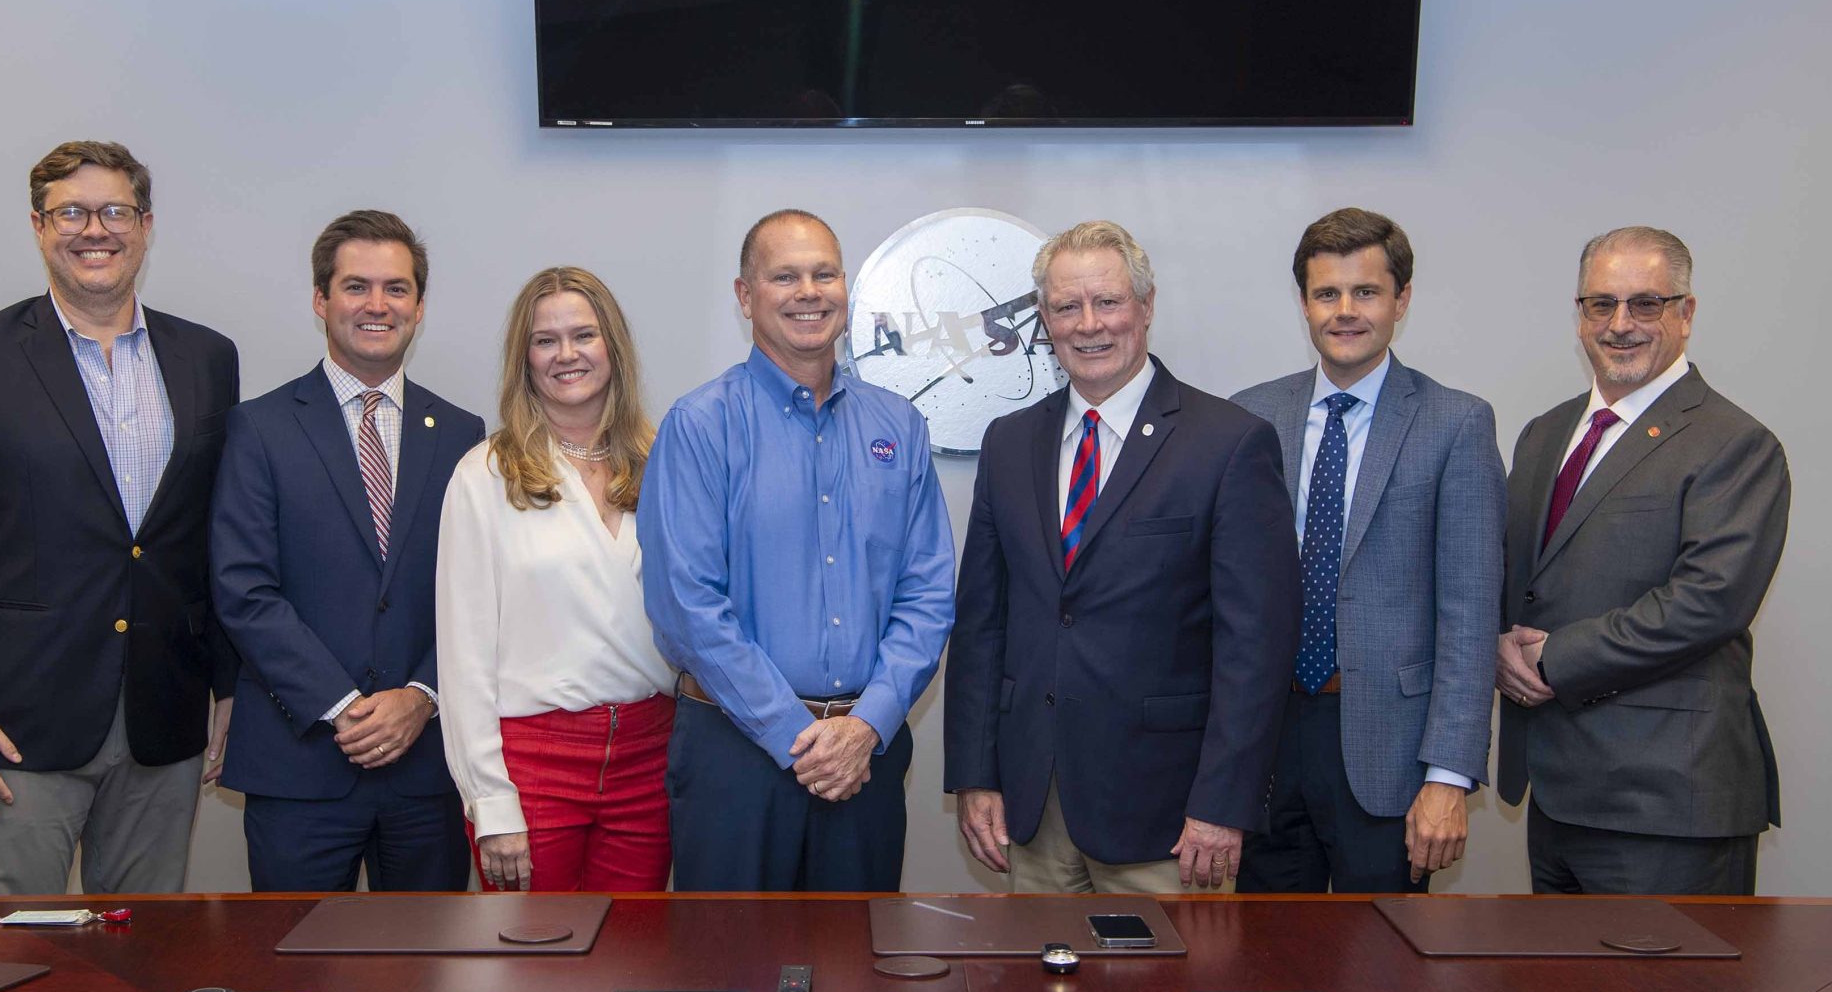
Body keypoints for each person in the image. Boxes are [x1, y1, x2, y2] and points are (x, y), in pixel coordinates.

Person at [0, 140, 239, 895]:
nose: (97, 229)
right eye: (73, 213)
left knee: (145, 962)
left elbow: (210, 541)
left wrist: (228, 686)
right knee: (8, 966)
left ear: (146, 226)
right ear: (38, 226)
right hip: (15, 725)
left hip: (162, 716)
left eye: (116, 210)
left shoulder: (207, 358)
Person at [944, 219, 1299, 893]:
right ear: (1044, 319)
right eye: (1066, 306)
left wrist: (1222, 804)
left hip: (1170, 817)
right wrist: (976, 773)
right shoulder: (1009, 442)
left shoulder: (1228, 443)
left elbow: (1256, 644)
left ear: (1145, 305)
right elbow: (983, 624)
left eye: (1107, 301)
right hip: (1034, 805)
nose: (1089, 325)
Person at [637, 209, 955, 892]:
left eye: (824, 273)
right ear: (746, 296)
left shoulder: (898, 425)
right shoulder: (700, 426)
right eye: (784, 276)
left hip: (865, 754)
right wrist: (796, 735)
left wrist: (865, 727)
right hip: (736, 753)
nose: (808, 291)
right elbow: (686, 607)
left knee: (857, 980)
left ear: (846, 289)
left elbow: (927, 594)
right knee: (729, 973)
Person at [1497, 226, 1788, 895]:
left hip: (1666, 804)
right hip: (1557, 795)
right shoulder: (1545, 434)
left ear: (1686, 314)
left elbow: (1707, 603)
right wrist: (1494, 645)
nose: (1620, 324)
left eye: (1645, 304)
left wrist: (1551, 658)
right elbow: (1521, 581)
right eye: (1601, 303)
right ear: (1579, 316)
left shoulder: (1735, 444)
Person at [1230, 208, 1504, 893]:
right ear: (1303, 303)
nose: (1345, 311)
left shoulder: (1457, 423)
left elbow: (1470, 615)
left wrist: (1448, 774)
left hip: (1391, 752)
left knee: (1383, 977)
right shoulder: (1249, 417)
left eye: (1366, 292)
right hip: (1267, 743)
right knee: (1264, 969)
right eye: (1327, 293)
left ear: (1401, 299)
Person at [210, 210, 481, 892]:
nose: (376, 304)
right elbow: (243, 589)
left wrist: (420, 696)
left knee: (428, 979)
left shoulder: (461, 433)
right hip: (300, 761)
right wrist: (345, 706)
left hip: (427, 769)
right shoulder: (259, 427)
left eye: (396, 288)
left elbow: (477, 591)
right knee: (298, 976)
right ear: (320, 301)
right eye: (356, 286)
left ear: (419, 307)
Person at [435, 267, 677, 892]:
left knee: (633, 964)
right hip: (532, 769)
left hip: (649, 761)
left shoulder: (667, 463)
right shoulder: (484, 474)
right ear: (525, 360)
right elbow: (462, 659)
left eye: (584, 335)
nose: (567, 354)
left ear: (613, 349)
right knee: (530, 974)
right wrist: (490, 802)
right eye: (546, 340)